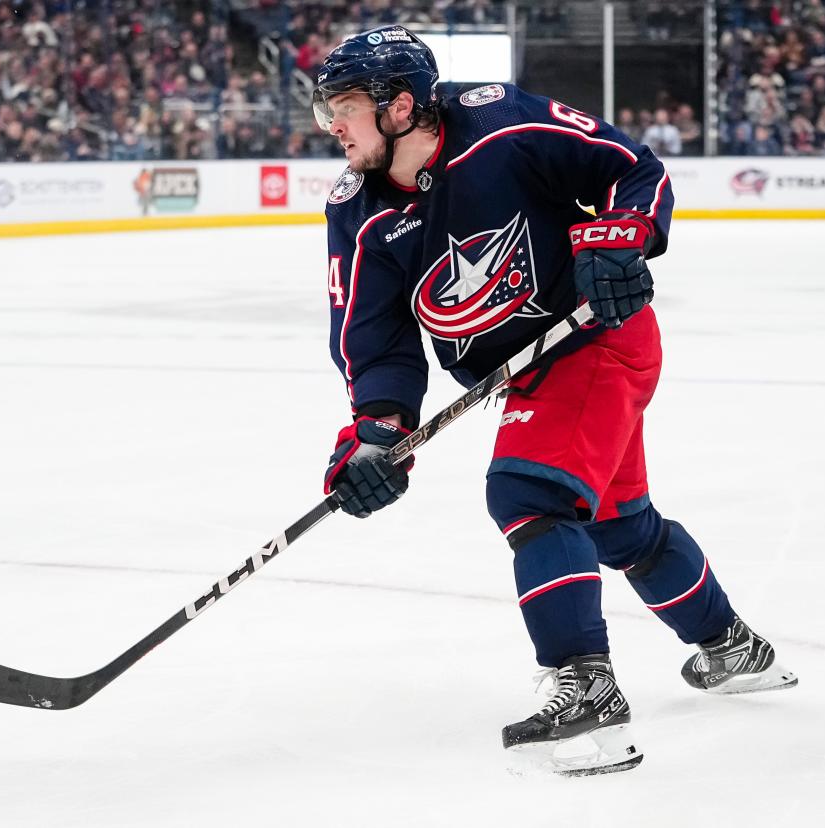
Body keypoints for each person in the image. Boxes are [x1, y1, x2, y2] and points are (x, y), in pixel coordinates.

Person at [313, 26, 797, 776]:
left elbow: (631, 170)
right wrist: (377, 433)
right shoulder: (357, 210)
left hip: (598, 334)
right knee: (618, 527)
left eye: (344, 107)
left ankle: (586, 695)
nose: (332, 127)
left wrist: (618, 237)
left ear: (401, 105)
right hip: (528, 370)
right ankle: (732, 647)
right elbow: (376, 341)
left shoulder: (502, 125)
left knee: (528, 492)